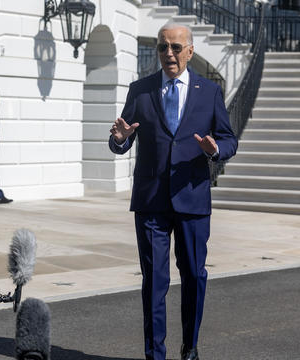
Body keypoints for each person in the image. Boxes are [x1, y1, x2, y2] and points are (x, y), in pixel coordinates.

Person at [108, 24, 238, 360]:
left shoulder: (209, 91)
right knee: (154, 281)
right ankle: (155, 354)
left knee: (194, 274)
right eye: (163, 47)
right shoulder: (140, 90)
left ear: (190, 51)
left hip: (192, 198)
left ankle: (190, 347)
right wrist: (120, 139)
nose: (169, 53)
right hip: (151, 202)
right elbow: (120, 138)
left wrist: (214, 150)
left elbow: (228, 140)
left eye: (176, 47)